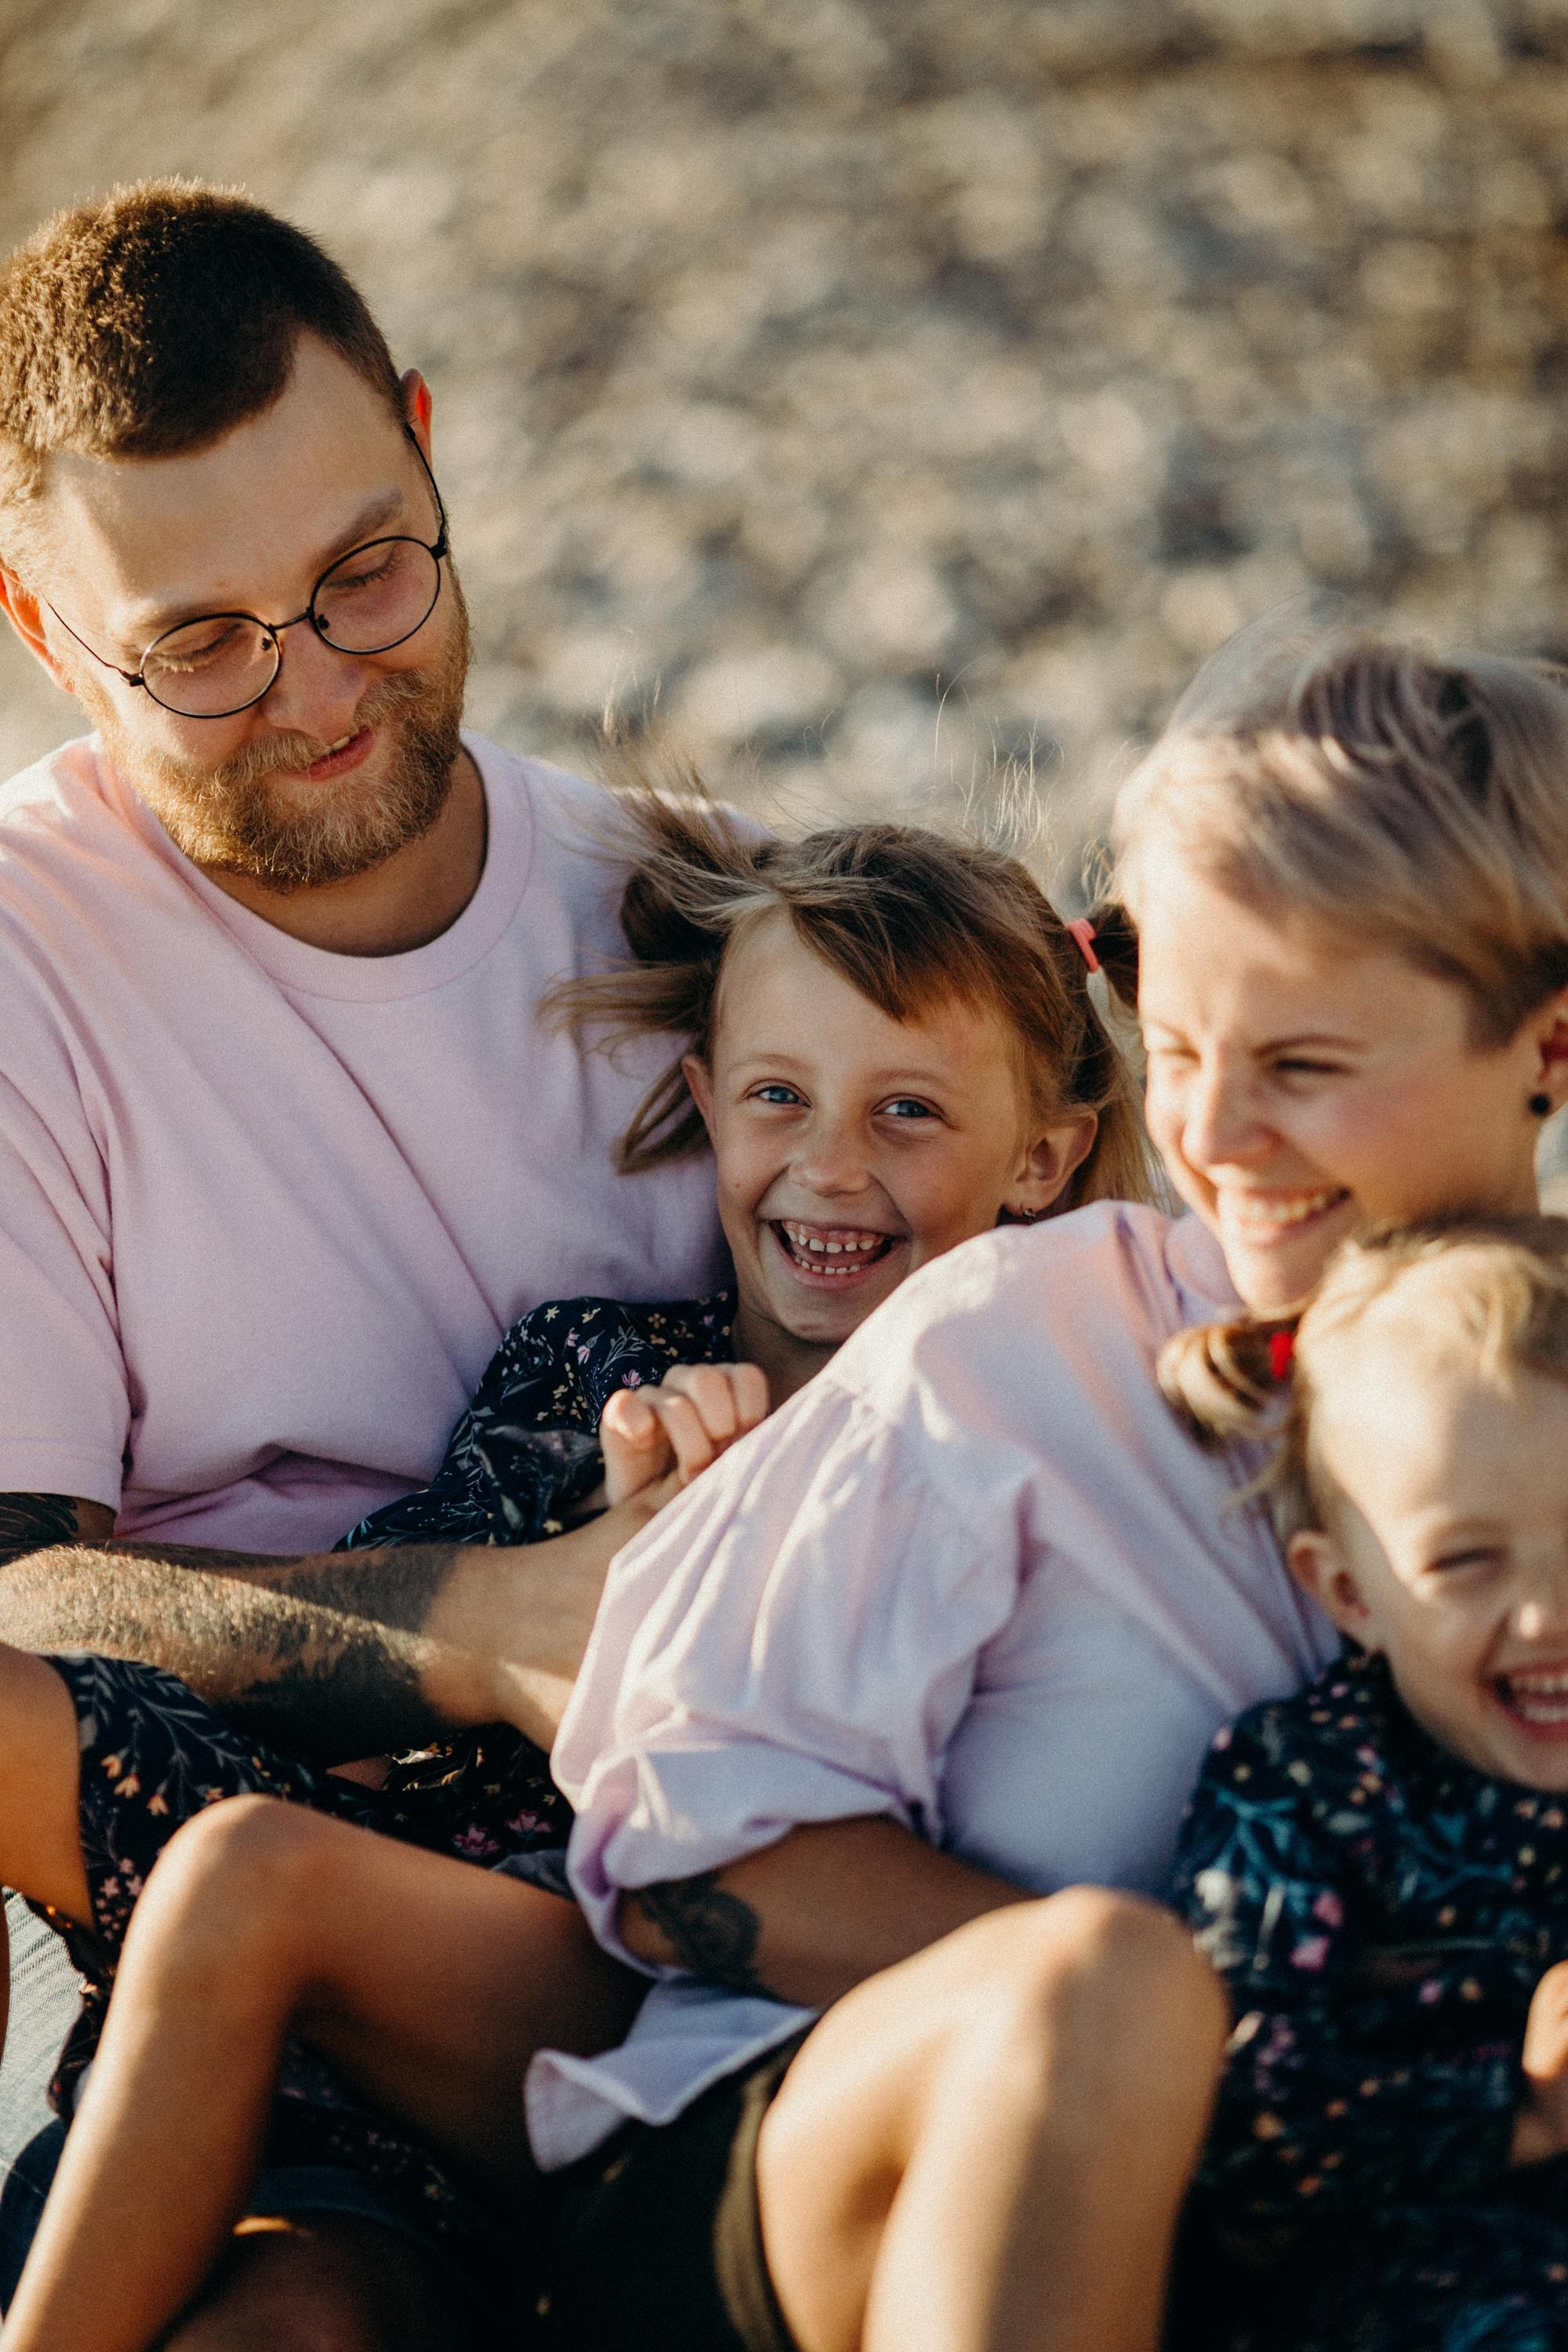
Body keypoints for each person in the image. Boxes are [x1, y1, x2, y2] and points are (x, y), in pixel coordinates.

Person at [511, 631, 1568, 2352]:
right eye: (1179, 1047)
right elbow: (679, 1852)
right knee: (1108, 1999)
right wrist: (1215, 2051)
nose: (1217, 1133)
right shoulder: (1014, 1350)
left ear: (1549, 1044)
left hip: (1367, 2230)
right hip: (798, 2207)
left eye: (1300, 1064)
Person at [0, 804, 1144, 2350]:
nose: (827, 1167)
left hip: (615, 1980)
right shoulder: (597, 1365)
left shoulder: (1015, 1435)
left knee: (252, 1887)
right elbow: (353, 1682)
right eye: (777, 1098)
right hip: (384, 1880)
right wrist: (579, 1544)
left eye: (908, 1115)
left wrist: (718, 1597)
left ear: (1045, 1153)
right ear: (702, 1103)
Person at [0, 178, 731, 2346]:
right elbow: (18, 1601)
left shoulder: (699, 917)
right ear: (47, 632)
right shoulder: (27, 963)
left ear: (425, 449)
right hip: (251, 1963)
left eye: (364, 574)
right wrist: (483, 1631)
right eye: (199, 641)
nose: (316, 689)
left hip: (695, 1877)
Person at [1168, 1214, 1568, 2352]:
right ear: (1349, 1593)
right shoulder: (1308, 1782)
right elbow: (1229, 2137)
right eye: (1464, 1561)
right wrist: (1524, 2109)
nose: (1548, 1616)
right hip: (1411, 2296)